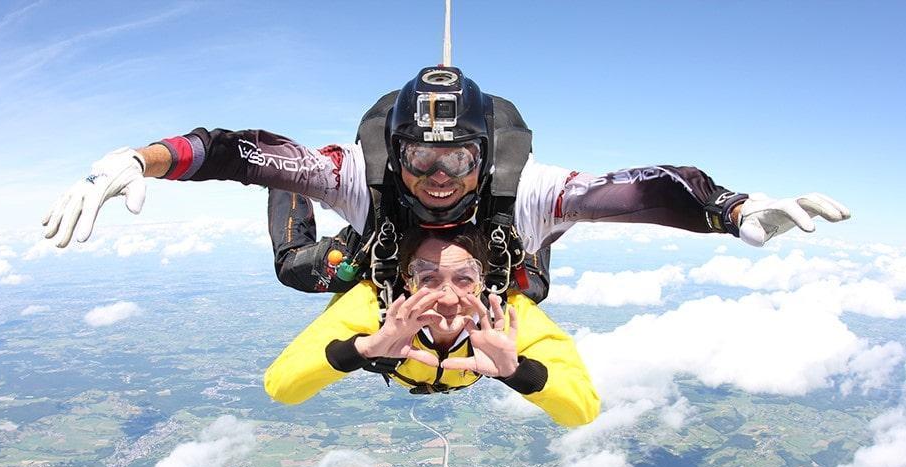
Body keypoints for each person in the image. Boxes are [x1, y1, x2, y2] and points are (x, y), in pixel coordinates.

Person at [42, 65, 850, 308]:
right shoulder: (359, 177)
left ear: (483, 155)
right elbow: (245, 153)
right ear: (392, 152)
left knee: (522, 284)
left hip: (503, 255)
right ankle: (344, 250)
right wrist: (138, 160)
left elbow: (637, 191)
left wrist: (728, 209)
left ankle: (507, 276)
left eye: (456, 162)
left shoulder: (529, 188)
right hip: (375, 251)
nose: (433, 180)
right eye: (418, 161)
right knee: (304, 272)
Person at [263, 224, 600, 428]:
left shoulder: (506, 318)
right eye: (429, 279)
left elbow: (583, 410)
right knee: (292, 266)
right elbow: (282, 387)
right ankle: (280, 179)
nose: (449, 298)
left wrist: (517, 371)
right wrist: (364, 347)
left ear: (483, 283)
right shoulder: (376, 309)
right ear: (407, 282)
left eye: (465, 279)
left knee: (533, 285)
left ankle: (537, 204)